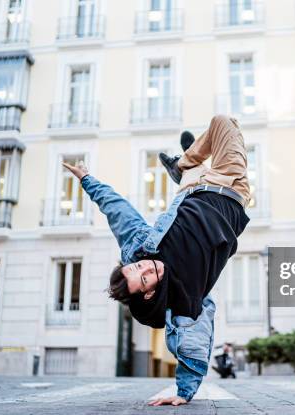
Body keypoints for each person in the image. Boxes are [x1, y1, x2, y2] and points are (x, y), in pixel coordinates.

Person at [62, 115, 250, 406]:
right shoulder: (186, 302)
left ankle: (185, 163)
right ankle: (188, 160)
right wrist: (183, 393)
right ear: (149, 291)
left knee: (211, 133)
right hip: (230, 189)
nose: (147, 266)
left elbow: (119, 212)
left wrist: (87, 180)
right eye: (145, 276)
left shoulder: (141, 248)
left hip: (192, 189)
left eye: (138, 267)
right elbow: (193, 347)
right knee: (226, 124)